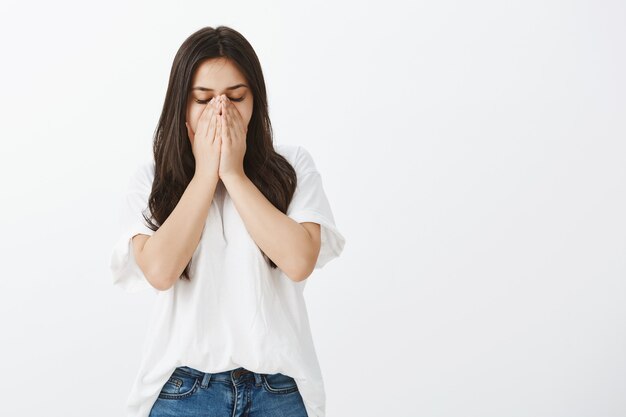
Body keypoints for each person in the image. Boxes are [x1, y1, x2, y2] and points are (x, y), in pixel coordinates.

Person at [109, 26, 346, 417]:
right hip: (183, 392)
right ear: (181, 105)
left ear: (256, 101)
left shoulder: (293, 168)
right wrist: (205, 176)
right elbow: (160, 271)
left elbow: (300, 260)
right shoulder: (151, 179)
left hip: (279, 392)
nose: (221, 110)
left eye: (236, 97)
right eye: (203, 99)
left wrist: (234, 174)